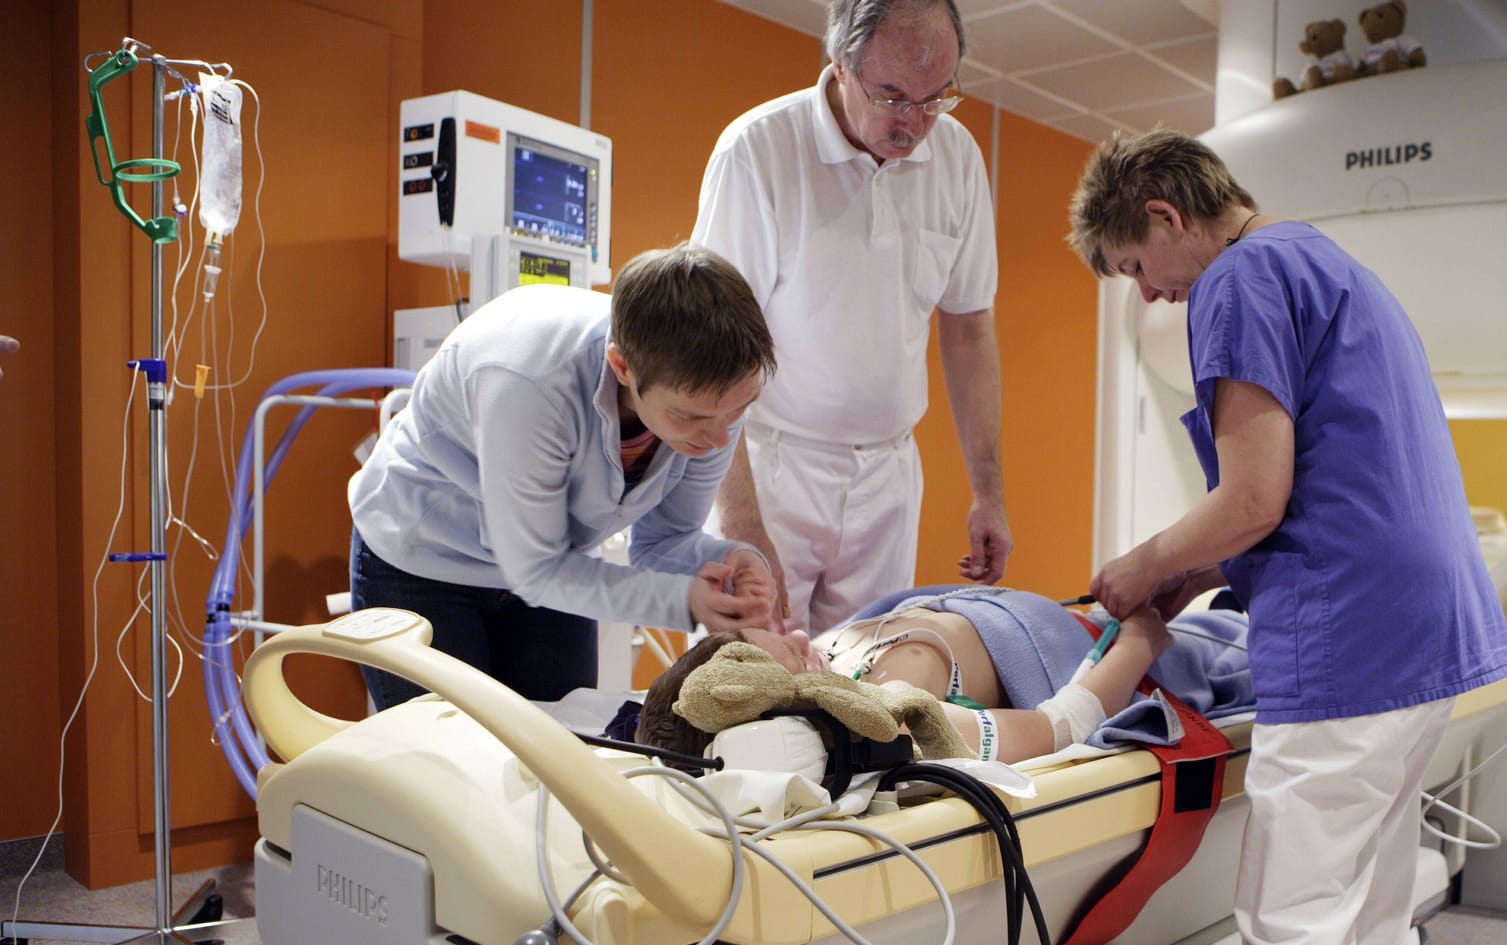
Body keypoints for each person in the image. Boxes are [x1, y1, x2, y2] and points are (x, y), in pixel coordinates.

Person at [1068, 131, 1507, 945]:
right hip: (1428, 632)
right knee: (1366, 910)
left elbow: (1253, 499)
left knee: (1292, 924)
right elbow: (1329, 483)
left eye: (1136, 269)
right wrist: (1195, 576)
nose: (1149, 293)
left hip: (1350, 639)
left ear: (1164, 217)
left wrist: (1141, 565)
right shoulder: (1329, 263)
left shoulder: (1235, 281)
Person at [691, 0, 1013, 636]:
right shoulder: (759, 151)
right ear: (840, 64)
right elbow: (706, 350)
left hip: (887, 476)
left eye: (935, 98)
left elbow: (969, 327)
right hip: (773, 460)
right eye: (893, 96)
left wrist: (989, 493)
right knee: (747, 678)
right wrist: (743, 526)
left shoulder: (957, 157)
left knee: (866, 691)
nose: (914, 123)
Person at [349, 244, 780, 711]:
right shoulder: (527, 381)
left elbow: (664, 542)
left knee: (564, 745)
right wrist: (686, 601)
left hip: (551, 565)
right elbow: (537, 570)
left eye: (738, 410)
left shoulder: (710, 400)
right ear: (622, 368)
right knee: (449, 764)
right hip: (422, 558)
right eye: (691, 418)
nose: (718, 439)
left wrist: (730, 561)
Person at [634, 586, 1260, 766]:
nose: (802, 638)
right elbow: (1065, 723)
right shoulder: (891, 709)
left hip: (1040, 608)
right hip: (1107, 641)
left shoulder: (817, 659)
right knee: (1233, 637)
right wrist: (1142, 639)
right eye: (793, 656)